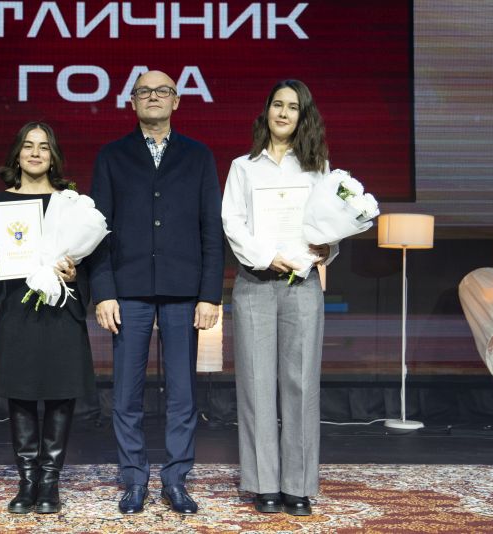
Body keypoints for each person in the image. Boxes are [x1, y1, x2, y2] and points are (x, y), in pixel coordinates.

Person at [89, 70, 224, 515]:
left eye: (162, 91)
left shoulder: (198, 155)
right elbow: (97, 230)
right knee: (126, 394)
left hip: (185, 291)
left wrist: (210, 295)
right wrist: (103, 291)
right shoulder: (111, 156)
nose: (153, 97)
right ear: (131, 102)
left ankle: (176, 480)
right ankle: (133, 480)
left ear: (176, 100)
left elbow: (211, 229)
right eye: (144, 91)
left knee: (183, 393)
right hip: (127, 291)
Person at [221, 79, 338, 517]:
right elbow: (232, 222)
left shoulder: (318, 168)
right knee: (256, 385)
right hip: (255, 282)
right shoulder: (243, 167)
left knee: (301, 384)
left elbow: (330, 224)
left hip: (302, 285)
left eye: (292, 107)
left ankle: (298, 486)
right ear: (266, 111)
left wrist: (327, 249)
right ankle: (263, 484)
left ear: (303, 116)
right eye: (277, 105)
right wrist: (267, 257)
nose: (284, 113)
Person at [0, 122, 96, 515]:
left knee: (61, 393)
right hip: (19, 310)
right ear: (17, 154)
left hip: (61, 310)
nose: (35, 153)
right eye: (28, 146)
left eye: (44, 147)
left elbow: (89, 262)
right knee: (21, 393)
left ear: (53, 156)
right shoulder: (0, 202)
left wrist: (74, 274)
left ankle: (49, 482)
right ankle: (27, 482)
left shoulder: (71, 202)